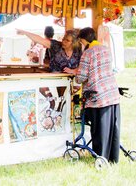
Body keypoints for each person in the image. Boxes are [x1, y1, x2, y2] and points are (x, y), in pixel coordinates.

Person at [75, 27, 121, 163]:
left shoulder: (87, 53)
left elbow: (81, 77)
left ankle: (100, 157)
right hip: (112, 93)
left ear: (83, 40)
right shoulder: (106, 49)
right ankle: (113, 157)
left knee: (99, 130)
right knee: (112, 128)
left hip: (97, 96)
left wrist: (75, 73)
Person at [16, 28, 81, 73]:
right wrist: (25, 32)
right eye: (63, 39)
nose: (63, 41)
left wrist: (74, 70)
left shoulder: (79, 51)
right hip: (54, 80)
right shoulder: (56, 46)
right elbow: (40, 39)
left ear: (74, 43)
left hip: (72, 83)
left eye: (67, 40)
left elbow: (85, 66)